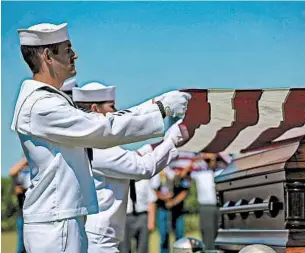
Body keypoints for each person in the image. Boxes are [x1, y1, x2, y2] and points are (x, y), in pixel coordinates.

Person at [12, 22, 191, 253]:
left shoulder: (47, 100)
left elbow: (105, 121)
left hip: (62, 218)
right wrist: (161, 110)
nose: (74, 55)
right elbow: (102, 128)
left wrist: (155, 105)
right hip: (57, 223)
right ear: (47, 56)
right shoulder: (42, 104)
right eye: (67, 49)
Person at [71, 82, 189, 253]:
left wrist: (160, 107)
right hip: (100, 241)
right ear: (95, 109)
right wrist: (172, 140)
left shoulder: (89, 143)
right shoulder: (99, 148)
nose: (116, 110)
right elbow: (144, 167)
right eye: (111, 106)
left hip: (99, 236)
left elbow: (130, 131)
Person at [151, 165, 192, 253]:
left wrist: (173, 202)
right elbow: (153, 189)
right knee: (164, 237)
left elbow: (185, 190)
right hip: (163, 208)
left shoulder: (181, 168)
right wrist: (164, 197)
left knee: (180, 236)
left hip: (178, 210)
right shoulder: (159, 169)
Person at [119, 178, 156, 253]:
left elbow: (151, 201)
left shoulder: (144, 181)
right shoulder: (121, 182)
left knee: (143, 247)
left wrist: (151, 222)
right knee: (124, 248)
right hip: (125, 218)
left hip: (142, 216)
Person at [9, 157, 31, 253]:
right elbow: (12, 172)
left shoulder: (34, 172)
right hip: (22, 215)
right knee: (21, 246)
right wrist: (26, 160)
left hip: (36, 215)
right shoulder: (20, 173)